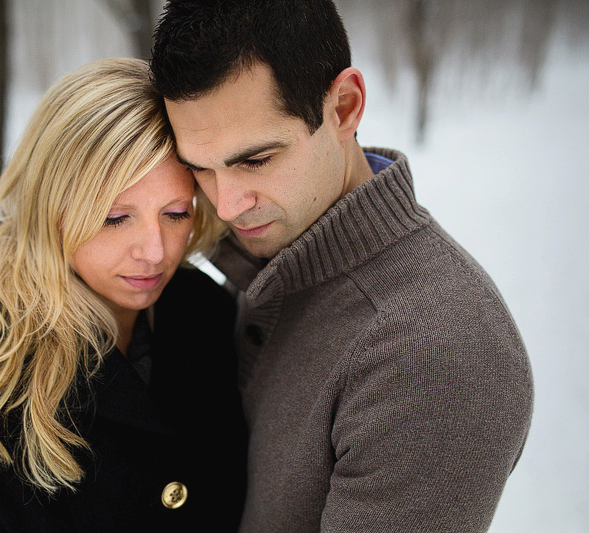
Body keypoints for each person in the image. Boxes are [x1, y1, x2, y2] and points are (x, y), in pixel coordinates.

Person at [150, 1, 534, 531]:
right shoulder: (276, 254)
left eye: (256, 160)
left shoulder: (434, 350)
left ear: (345, 108)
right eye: (201, 169)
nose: (228, 204)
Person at [0, 58, 246, 532]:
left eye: (176, 212)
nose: (154, 251)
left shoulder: (209, 315)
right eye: (114, 218)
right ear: (51, 204)